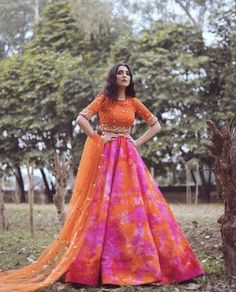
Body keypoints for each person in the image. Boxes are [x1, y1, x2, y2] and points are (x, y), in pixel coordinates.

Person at [0, 63, 204, 291]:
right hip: (107, 157)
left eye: (128, 73)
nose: (125, 76)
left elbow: (156, 125)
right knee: (104, 207)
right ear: (113, 77)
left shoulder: (134, 102)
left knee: (140, 207)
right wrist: (97, 137)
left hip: (129, 158)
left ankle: (161, 265)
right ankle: (96, 269)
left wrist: (134, 142)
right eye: (120, 72)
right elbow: (81, 118)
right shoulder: (104, 99)